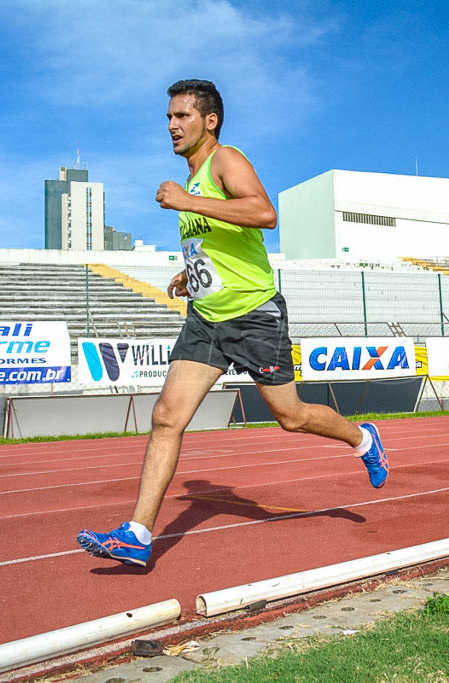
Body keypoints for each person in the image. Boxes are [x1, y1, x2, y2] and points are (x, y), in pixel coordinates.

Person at [77, 80, 388, 567]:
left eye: (181, 116)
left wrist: (187, 202)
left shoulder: (226, 161)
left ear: (210, 121)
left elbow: (265, 214)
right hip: (206, 317)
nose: (172, 125)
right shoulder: (192, 180)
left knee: (291, 416)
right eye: (169, 118)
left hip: (253, 315)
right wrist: (190, 272)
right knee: (166, 417)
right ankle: (138, 534)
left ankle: (363, 438)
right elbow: (222, 240)